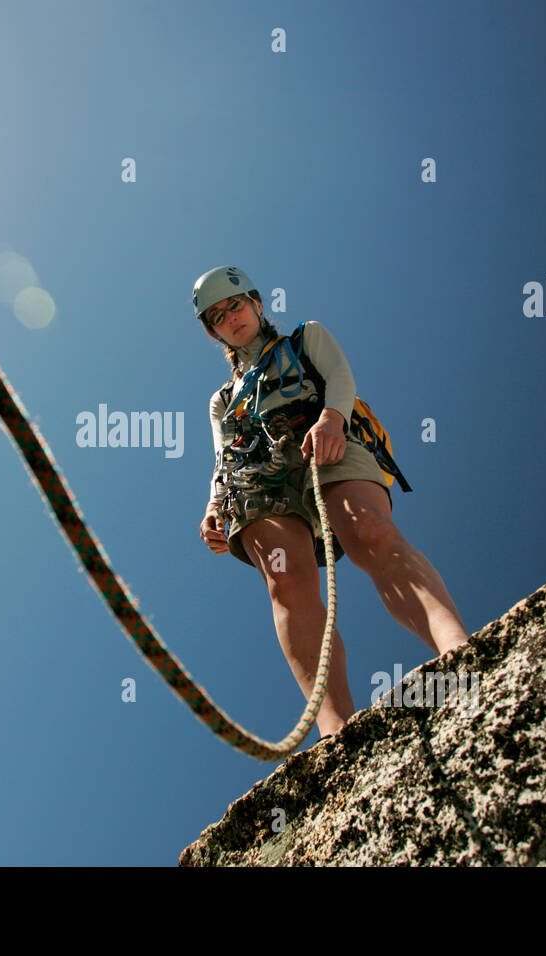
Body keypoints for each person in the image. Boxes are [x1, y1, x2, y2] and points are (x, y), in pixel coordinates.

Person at [193, 265, 471, 743]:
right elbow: (222, 454)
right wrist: (214, 502)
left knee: (370, 533)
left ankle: (460, 653)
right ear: (214, 330)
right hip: (257, 477)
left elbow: (340, 377)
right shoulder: (221, 401)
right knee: (285, 581)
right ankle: (336, 731)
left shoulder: (305, 338)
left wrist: (333, 419)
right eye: (218, 315)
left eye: (235, 304)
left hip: (324, 438)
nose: (230, 317)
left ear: (257, 303)